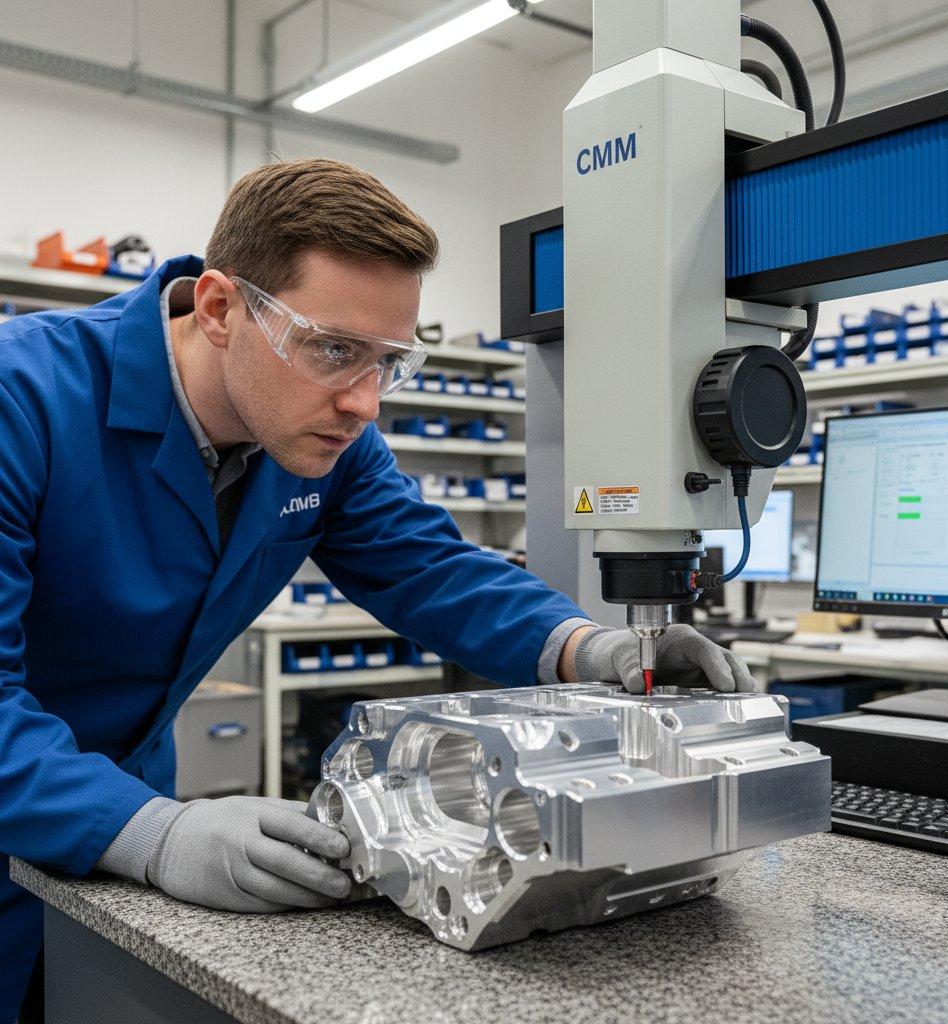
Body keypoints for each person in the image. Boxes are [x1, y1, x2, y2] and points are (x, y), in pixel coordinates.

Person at [0, 159, 754, 1022]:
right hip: (66, 800)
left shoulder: (320, 435)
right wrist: (153, 832)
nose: (365, 403)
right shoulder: (22, 398)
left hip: (114, 829)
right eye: (333, 350)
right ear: (218, 310)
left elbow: (428, 566)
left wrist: (596, 646)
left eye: (388, 361)